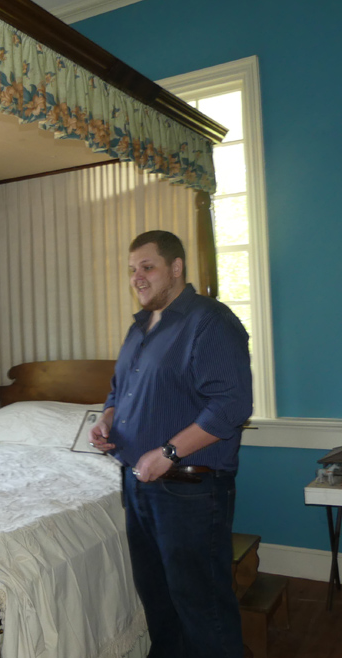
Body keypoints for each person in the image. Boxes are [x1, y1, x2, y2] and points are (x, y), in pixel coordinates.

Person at [89, 230, 252, 658]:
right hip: (138, 484)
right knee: (158, 601)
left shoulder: (209, 321)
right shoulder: (140, 328)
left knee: (202, 607)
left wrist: (168, 452)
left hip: (189, 489)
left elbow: (231, 405)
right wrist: (107, 418)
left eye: (147, 266)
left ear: (176, 268)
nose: (137, 277)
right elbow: (118, 390)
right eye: (132, 270)